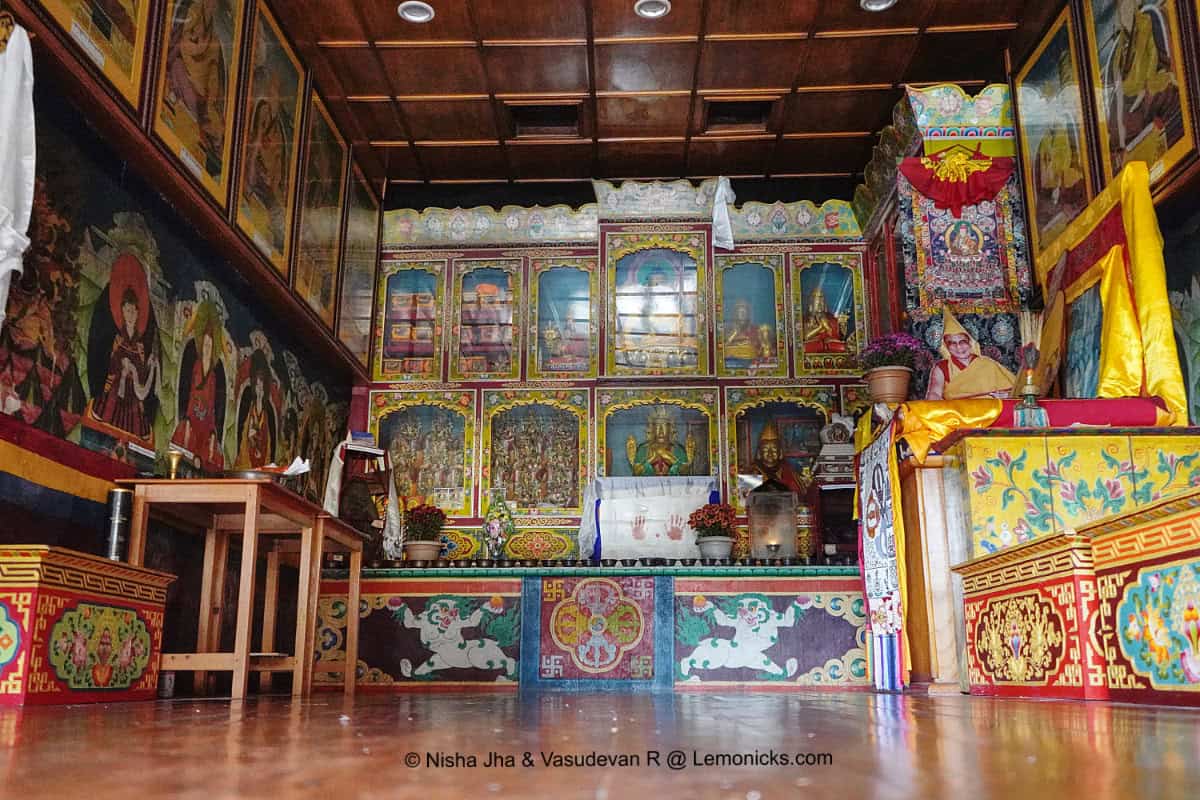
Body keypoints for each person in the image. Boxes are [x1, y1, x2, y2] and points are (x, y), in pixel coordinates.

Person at [1103, 0, 1181, 169]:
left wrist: (1144, 88)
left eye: (1127, 7)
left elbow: (1155, 58)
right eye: (1121, 10)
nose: (1125, 13)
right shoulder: (1119, 46)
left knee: (1161, 90)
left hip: (1149, 81)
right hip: (1128, 95)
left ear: (1134, 7)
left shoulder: (1146, 22)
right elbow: (1118, 81)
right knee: (1115, 126)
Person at [165, 0, 226, 170]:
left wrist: (211, 96)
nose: (211, 5)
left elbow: (213, 70)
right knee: (191, 101)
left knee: (216, 124)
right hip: (180, 63)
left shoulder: (214, 36)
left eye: (215, 4)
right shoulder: (192, 10)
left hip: (201, 85)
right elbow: (179, 40)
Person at [95, 280, 159, 439]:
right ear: (122, 312)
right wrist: (122, 368)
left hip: (134, 396)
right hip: (116, 389)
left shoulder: (140, 347)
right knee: (103, 416)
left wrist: (145, 366)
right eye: (127, 310)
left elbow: (143, 377)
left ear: (138, 313)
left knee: (140, 432)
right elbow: (109, 367)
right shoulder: (117, 340)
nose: (130, 315)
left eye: (133, 311)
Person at [172, 305, 224, 468]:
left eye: (210, 345)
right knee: (184, 439)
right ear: (201, 345)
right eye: (205, 344)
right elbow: (188, 393)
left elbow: (213, 406)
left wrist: (213, 432)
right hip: (192, 416)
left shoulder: (214, 377)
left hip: (207, 422)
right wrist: (187, 419)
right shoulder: (196, 366)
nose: (207, 348)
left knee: (211, 455)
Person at [925, 309, 1016, 400]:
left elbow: (1014, 393)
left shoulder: (988, 364)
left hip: (988, 411)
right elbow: (934, 393)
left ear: (970, 343)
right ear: (946, 347)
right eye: (952, 343)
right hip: (956, 411)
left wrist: (1005, 396)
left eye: (963, 342)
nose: (959, 347)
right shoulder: (942, 367)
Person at [626, 405, 695, 476]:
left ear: (670, 428)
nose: (661, 431)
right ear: (652, 429)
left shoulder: (678, 450)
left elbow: (686, 472)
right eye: (657, 427)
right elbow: (636, 472)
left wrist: (670, 458)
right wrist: (651, 459)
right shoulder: (643, 449)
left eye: (664, 426)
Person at [802, 287, 848, 353]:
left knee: (844, 347)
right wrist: (820, 327)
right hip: (814, 346)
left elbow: (838, 337)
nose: (819, 301)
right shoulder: (806, 319)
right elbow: (806, 337)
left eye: (821, 298)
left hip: (830, 347)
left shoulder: (831, 318)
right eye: (816, 298)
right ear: (811, 302)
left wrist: (842, 326)